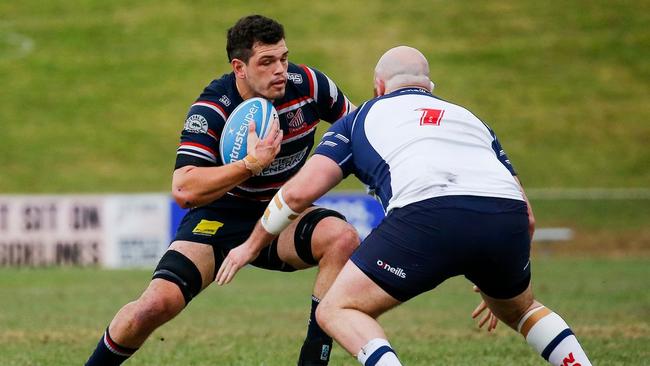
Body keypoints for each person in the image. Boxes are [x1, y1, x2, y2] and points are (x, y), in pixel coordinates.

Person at [216, 46, 593, 366]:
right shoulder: (472, 120)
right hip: (504, 216)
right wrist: (495, 273)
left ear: (378, 88)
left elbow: (298, 194)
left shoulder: (361, 116)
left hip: (426, 217)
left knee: (336, 309)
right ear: (430, 87)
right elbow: (526, 215)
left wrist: (251, 245)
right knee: (522, 309)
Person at [85, 15, 359, 366]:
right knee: (151, 308)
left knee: (342, 238)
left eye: (283, 58)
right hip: (219, 217)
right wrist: (249, 165)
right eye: (266, 62)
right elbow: (184, 188)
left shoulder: (308, 85)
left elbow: (358, 130)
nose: (280, 70)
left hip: (280, 214)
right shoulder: (213, 108)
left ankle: (312, 361)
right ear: (239, 67)